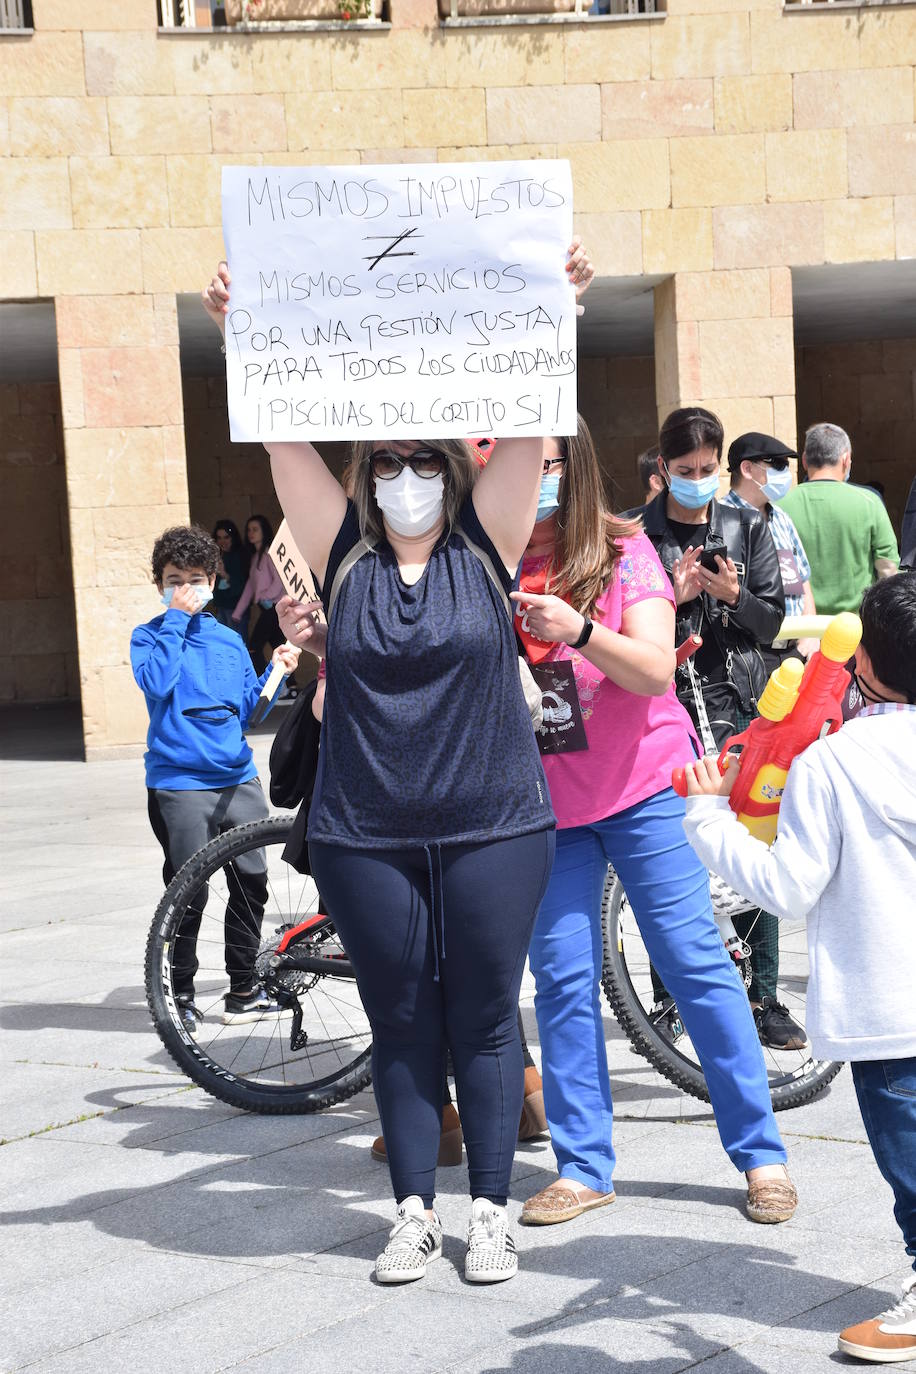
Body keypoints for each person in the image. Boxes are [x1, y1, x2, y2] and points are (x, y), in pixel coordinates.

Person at [203, 239, 593, 1287]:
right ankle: (414, 1211)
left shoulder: (486, 542)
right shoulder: (344, 551)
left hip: (494, 827)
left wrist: (552, 311)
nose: (410, 476)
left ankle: (490, 1212)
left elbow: (530, 414)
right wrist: (246, 330)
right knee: (401, 1019)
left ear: (454, 472)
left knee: (479, 1015)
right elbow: (283, 442)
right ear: (366, 477)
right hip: (367, 829)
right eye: (389, 462)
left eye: (427, 460)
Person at [507, 416, 793, 1231]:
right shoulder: (490, 562)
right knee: (562, 983)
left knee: (694, 965)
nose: (525, 474)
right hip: (548, 812)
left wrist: (581, 630)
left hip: (643, 791)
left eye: (540, 460)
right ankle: (584, 1165)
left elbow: (654, 668)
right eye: (503, 458)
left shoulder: (624, 551)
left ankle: (761, 1153)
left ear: (574, 464)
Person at [682, 572, 916, 1365]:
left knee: (912, 1161)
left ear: (864, 662)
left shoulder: (835, 762)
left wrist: (709, 818)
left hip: (891, 1005)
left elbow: (784, 886)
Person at [130, 525, 298, 1038]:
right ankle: (178, 996)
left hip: (238, 778)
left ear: (213, 578)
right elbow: (157, 683)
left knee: (251, 885)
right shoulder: (149, 636)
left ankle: (243, 990)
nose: (185, 588)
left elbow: (250, 712)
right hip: (179, 784)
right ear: (159, 583)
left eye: (196, 579)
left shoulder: (228, 641)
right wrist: (176, 620)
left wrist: (277, 671)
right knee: (190, 891)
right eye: (173, 579)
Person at [721, 432, 819, 1048]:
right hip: (717, 688)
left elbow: (796, 597)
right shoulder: (723, 520)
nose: (786, 474)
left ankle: (764, 995)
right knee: (710, 839)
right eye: (779, 465)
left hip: (775, 682)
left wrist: (808, 654)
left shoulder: (777, 519)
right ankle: (672, 998)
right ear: (750, 468)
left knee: (763, 831)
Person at [631, 407, 786, 751]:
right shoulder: (630, 531)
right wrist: (671, 599)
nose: (698, 479)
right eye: (685, 471)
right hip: (660, 704)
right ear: (663, 468)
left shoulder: (747, 526)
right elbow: (613, 629)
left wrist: (736, 597)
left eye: (708, 469)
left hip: (737, 699)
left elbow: (770, 624)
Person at [779, 422, 899, 615]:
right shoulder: (869, 502)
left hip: (801, 629)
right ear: (846, 460)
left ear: (804, 460)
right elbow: (888, 570)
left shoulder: (779, 506)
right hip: (855, 629)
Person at [232, 514, 287, 673]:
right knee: (279, 646)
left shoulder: (270, 554)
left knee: (254, 648)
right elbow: (250, 586)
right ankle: (292, 687)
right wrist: (238, 612)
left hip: (274, 607)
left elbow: (279, 581)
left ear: (264, 531)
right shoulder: (255, 557)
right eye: (249, 529)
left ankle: (266, 684)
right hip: (267, 608)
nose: (251, 533)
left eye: (255, 529)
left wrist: (264, 595)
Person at [212, 518, 249, 635]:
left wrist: (224, 574)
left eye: (226, 537)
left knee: (237, 643)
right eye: (219, 538)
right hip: (221, 606)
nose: (223, 541)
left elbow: (244, 584)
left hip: (236, 608)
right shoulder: (218, 555)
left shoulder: (240, 555)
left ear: (233, 537)